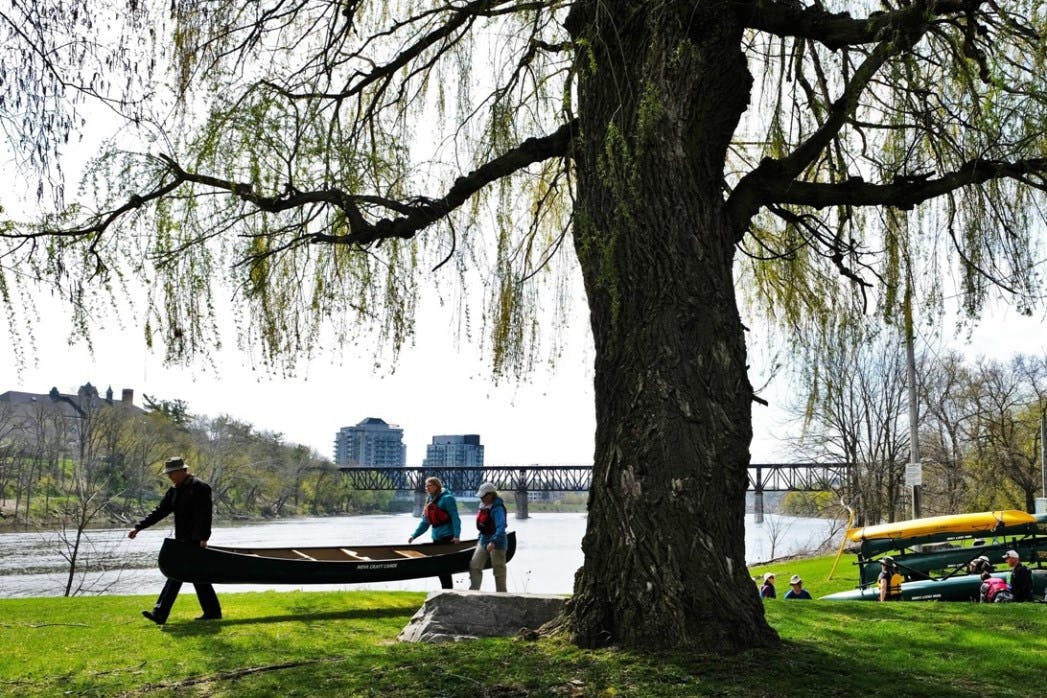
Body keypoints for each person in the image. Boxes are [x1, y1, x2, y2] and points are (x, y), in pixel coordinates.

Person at [128, 457, 222, 624]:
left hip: (194, 541)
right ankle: (212, 612)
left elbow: (205, 515)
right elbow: (160, 511)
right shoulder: (175, 491)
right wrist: (139, 527)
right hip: (182, 540)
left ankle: (160, 613)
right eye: (168, 474)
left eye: (171, 473)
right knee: (198, 576)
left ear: (182, 471)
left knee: (177, 573)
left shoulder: (200, 487)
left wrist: (203, 538)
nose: (169, 476)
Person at [408, 476, 461, 589]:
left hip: (448, 537)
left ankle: (447, 590)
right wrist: (414, 535)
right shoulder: (430, 500)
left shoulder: (447, 498)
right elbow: (425, 522)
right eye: (426, 486)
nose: (426, 488)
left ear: (436, 486)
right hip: (436, 537)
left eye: (429, 486)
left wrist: (456, 535)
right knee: (439, 567)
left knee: (444, 566)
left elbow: (455, 517)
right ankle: (445, 590)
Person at [469, 482, 508, 592]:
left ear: (491, 495)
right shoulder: (482, 506)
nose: (481, 498)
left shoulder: (498, 508)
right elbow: (483, 526)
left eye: (483, 496)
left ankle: (501, 594)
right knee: (474, 565)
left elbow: (501, 527)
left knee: (498, 569)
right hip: (483, 540)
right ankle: (473, 592)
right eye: (480, 496)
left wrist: (493, 541)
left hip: (498, 542)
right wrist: (480, 539)